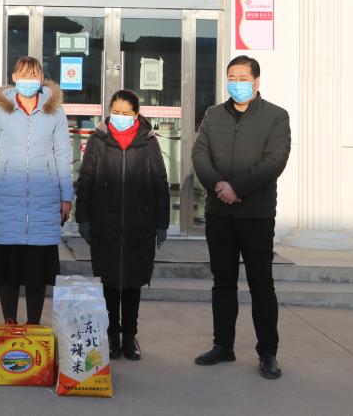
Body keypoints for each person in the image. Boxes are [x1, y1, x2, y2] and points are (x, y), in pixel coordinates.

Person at [192, 55, 291, 380]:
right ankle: (223, 345)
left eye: (243, 78)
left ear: (256, 82)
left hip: (256, 215)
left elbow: (274, 161)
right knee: (222, 283)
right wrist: (218, 186)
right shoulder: (213, 115)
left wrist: (237, 188)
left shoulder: (276, 116)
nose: (236, 83)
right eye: (231, 77)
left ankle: (268, 353)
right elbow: (199, 154)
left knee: (261, 285)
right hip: (219, 213)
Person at [76, 90, 170, 361]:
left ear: (136, 115)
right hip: (105, 223)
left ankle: (130, 336)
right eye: (115, 112)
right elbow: (86, 181)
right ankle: (112, 337)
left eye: (126, 113)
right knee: (108, 283)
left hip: (139, 225)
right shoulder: (98, 140)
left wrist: (161, 223)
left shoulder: (148, 142)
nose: (120, 117)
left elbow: (160, 183)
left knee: (132, 283)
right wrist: (83, 219)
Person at [0, 56, 73, 325]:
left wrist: (66, 196)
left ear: (42, 78)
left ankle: (33, 325)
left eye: (33, 75)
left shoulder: (55, 111)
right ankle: (10, 324)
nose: (28, 80)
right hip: (6, 199)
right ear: (14, 77)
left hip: (45, 200)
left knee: (37, 273)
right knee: (8, 272)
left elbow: (63, 155)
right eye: (23, 74)